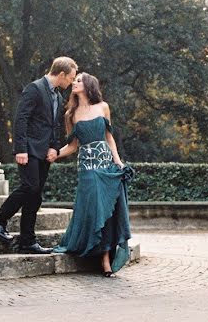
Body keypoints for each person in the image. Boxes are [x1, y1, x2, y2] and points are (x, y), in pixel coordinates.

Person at [0, 56, 78, 254]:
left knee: (35, 196)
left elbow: (55, 125)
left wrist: (54, 147)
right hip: (29, 150)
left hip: (45, 153)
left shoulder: (58, 96)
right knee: (30, 187)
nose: (71, 82)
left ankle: (28, 241)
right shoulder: (34, 89)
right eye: (70, 78)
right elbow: (21, 119)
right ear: (61, 74)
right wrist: (20, 149)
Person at [54, 72, 132, 277]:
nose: (74, 83)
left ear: (88, 85)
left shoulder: (103, 107)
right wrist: (55, 154)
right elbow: (72, 146)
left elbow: (109, 137)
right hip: (87, 167)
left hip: (105, 164)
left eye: (78, 80)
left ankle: (106, 259)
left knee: (106, 209)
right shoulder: (70, 115)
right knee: (94, 209)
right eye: (74, 80)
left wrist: (118, 161)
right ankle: (94, 251)